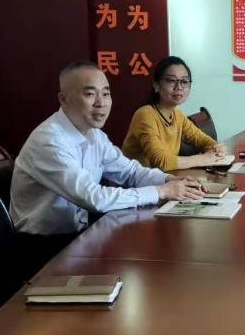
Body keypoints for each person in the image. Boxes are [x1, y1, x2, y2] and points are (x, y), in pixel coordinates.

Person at [10, 61, 205, 242]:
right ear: (63, 99)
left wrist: (168, 180)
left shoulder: (94, 134)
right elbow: (94, 198)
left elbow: (130, 171)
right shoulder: (50, 141)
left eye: (105, 94)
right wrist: (161, 191)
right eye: (90, 94)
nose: (101, 103)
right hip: (42, 245)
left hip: (80, 233)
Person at [122, 56, 227, 170]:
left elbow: (201, 140)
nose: (179, 87)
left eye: (184, 81)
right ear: (156, 85)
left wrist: (217, 147)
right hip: (136, 180)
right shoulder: (145, 115)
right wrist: (204, 159)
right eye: (171, 81)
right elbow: (161, 162)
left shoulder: (177, 115)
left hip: (166, 178)